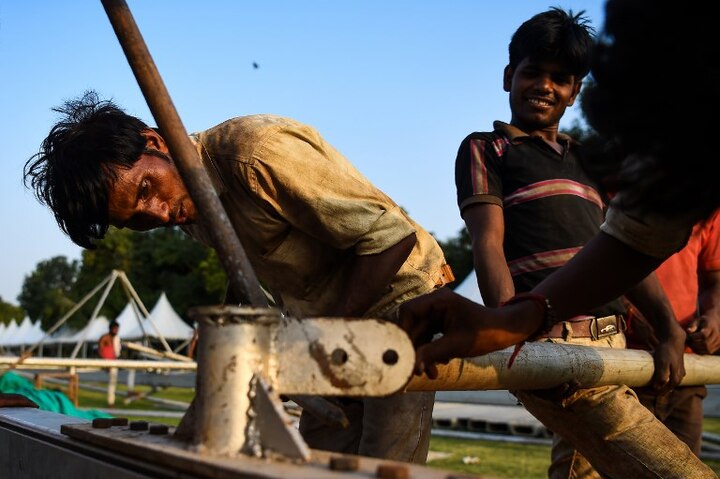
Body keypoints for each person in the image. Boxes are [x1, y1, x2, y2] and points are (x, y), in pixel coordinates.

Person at [23, 93, 453, 463]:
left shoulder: (254, 152)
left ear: (155, 141)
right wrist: (229, 352)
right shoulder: (190, 208)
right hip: (331, 327)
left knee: (382, 462)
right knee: (323, 462)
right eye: (135, 220)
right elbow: (243, 278)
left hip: (402, 302)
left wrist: (312, 345)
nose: (156, 214)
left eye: (146, 189)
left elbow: (391, 240)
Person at [399, 1, 718, 477]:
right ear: (509, 76)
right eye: (533, 72)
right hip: (553, 341)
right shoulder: (488, 148)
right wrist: (511, 325)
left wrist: (668, 329)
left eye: (560, 78)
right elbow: (491, 243)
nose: (544, 86)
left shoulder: (590, 159)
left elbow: (620, 250)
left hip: (614, 340)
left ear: (575, 93)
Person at [622, 209, 720, 457]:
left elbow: (715, 279)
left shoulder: (706, 200)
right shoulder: (610, 183)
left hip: (684, 370)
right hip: (617, 364)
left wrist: (715, 318)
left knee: (685, 470)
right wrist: (633, 313)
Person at [97, 320, 121, 407]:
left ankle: (111, 402)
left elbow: (116, 352)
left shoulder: (116, 338)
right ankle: (111, 402)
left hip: (114, 362)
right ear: (111, 328)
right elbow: (100, 351)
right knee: (112, 383)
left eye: (117, 329)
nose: (116, 331)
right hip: (107, 362)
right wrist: (105, 363)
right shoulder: (104, 338)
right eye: (115, 329)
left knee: (113, 382)